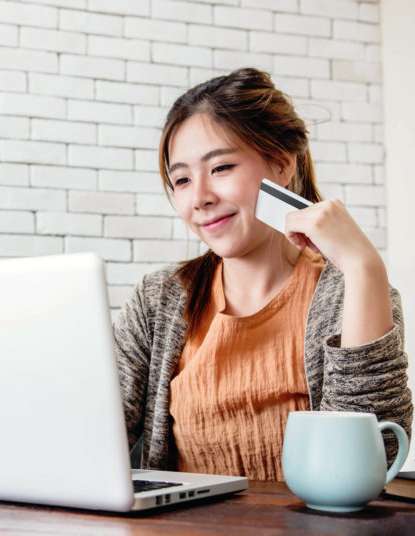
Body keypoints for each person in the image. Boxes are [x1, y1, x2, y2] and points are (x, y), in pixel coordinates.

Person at [113, 67, 412, 481]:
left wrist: (364, 266)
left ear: (281, 162)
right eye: (181, 179)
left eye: (220, 168)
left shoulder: (349, 293)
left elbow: (371, 461)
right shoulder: (157, 300)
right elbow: (95, 435)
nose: (199, 198)